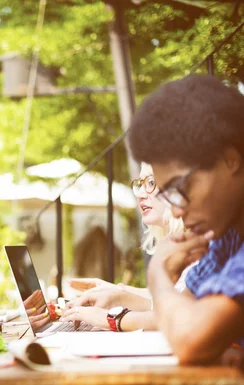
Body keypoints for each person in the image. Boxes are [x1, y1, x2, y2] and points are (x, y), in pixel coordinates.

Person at [127, 74, 244, 365]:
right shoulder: (229, 235)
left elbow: (191, 338)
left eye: (181, 189)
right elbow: (188, 304)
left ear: (230, 159)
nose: (177, 210)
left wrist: (157, 274)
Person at [61, 163, 186, 331]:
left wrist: (112, 316)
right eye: (140, 184)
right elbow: (171, 296)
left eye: (151, 182)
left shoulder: (202, 244)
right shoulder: (177, 243)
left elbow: (179, 313)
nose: (141, 194)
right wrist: (117, 291)